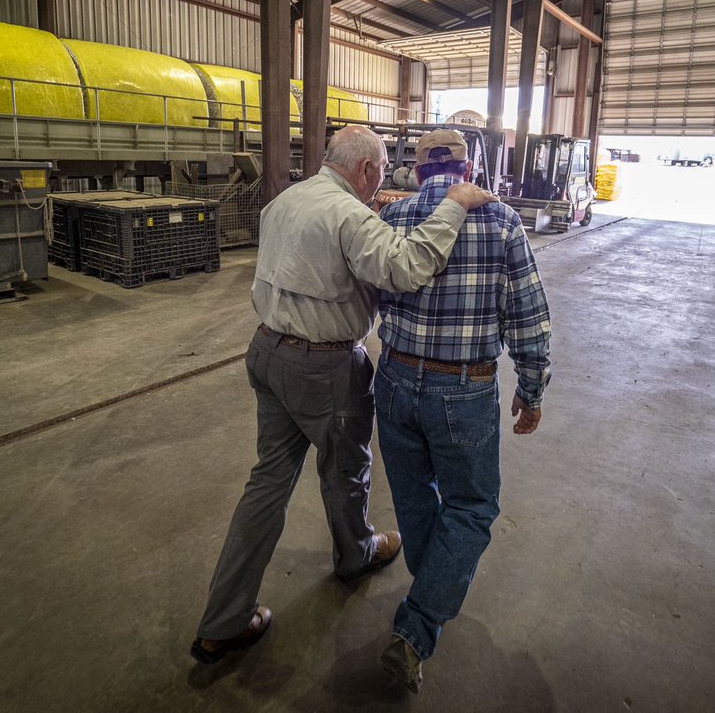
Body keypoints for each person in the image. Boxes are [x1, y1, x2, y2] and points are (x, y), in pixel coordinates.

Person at [190, 124, 498, 665]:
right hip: (321, 366)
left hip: (266, 352)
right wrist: (452, 204)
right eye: (379, 173)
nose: (380, 184)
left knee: (267, 482)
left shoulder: (286, 200)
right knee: (345, 468)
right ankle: (354, 555)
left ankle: (223, 619)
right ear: (367, 170)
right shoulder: (350, 215)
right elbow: (407, 267)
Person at [373, 129, 551, 692]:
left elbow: (374, 293)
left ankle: (429, 590)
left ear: (417, 168)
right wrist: (532, 386)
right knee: (472, 507)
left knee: (412, 495)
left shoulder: (392, 219)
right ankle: (418, 624)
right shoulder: (500, 221)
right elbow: (526, 312)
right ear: (468, 165)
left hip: (395, 379)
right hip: (463, 389)